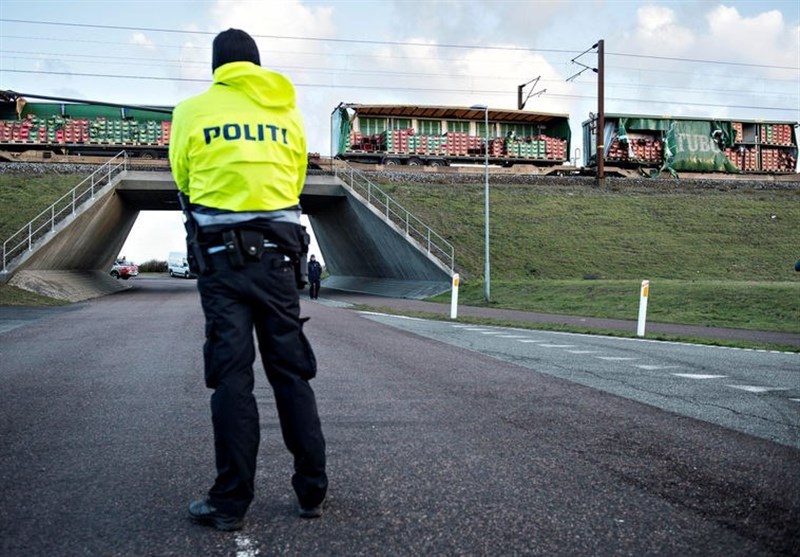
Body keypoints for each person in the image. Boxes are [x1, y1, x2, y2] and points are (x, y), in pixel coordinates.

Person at [169, 28, 327, 532]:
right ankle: (311, 491)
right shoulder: (287, 112)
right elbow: (296, 179)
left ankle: (230, 503)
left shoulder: (192, 110)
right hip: (280, 260)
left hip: (222, 262)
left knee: (232, 378)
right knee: (291, 372)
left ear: (217, 67)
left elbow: (184, 178)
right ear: (257, 65)